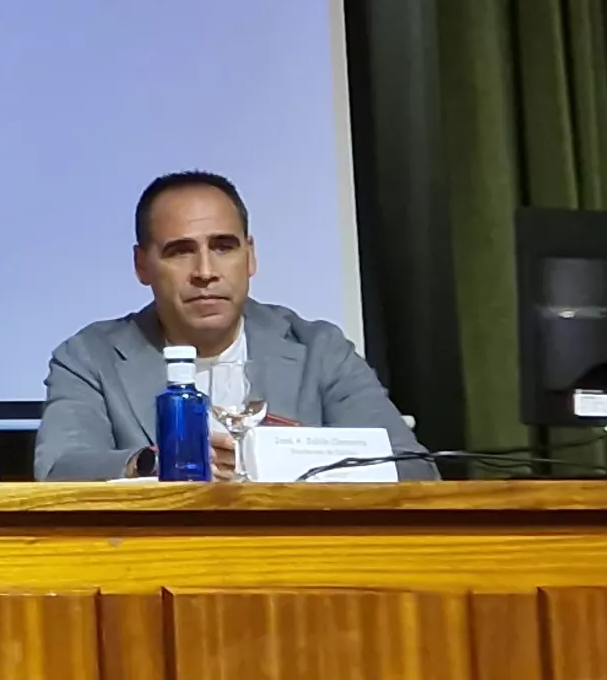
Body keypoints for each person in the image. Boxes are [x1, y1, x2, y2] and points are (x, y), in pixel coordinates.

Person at [33, 170, 421, 481]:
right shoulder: (89, 357)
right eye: (180, 251)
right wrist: (155, 462)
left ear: (249, 256)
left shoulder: (318, 349)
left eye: (223, 247)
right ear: (142, 265)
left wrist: (280, 459)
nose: (205, 272)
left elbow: (413, 468)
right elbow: (59, 470)